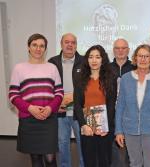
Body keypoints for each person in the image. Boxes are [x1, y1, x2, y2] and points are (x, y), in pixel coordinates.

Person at [9, 33, 63, 167]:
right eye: (34, 45)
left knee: (50, 159)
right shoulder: (19, 68)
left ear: (45, 49)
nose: (38, 49)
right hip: (28, 119)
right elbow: (13, 94)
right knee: (36, 159)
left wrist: (50, 108)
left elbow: (59, 93)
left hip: (48, 118)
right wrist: (30, 108)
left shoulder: (52, 68)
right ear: (28, 47)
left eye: (41, 46)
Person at [115, 44, 150, 167]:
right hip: (129, 129)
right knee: (134, 163)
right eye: (140, 56)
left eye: (146, 56)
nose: (143, 59)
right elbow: (120, 107)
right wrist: (118, 131)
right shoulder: (125, 78)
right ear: (135, 58)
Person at [74, 45, 117, 167]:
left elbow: (111, 104)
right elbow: (77, 104)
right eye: (91, 57)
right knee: (89, 160)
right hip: (87, 126)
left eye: (97, 57)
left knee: (105, 160)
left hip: (105, 127)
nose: (94, 60)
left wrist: (106, 126)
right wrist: (83, 125)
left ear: (102, 59)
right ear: (87, 60)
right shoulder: (80, 78)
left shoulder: (110, 78)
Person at [48, 33, 84, 167]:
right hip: (60, 111)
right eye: (67, 42)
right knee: (62, 143)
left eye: (73, 42)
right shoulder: (52, 62)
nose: (70, 45)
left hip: (79, 111)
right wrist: (55, 102)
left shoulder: (85, 61)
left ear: (76, 45)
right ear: (61, 44)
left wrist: (72, 100)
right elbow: (47, 86)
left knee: (83, 143)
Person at [110, 38, 134, 167]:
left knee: (132, 148)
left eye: (123, 48)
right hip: (111, 114)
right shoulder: (106, 68)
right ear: (113, 51)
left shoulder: (135, 67)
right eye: (117, 48)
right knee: (113, 149)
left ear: (128, 50)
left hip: (131, 114)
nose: (120, 51)